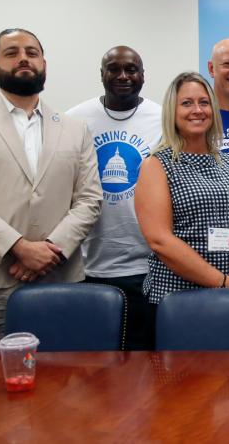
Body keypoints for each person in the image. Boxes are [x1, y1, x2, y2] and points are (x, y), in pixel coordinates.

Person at [0, 28, 102, 353]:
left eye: (32, 52)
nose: (24, 58)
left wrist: (48, 250)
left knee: (58, 389)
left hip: (56, 280)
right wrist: (20, 248)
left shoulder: (74, 128)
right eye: (11, 53)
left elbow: (89, 201)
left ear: (44, 64)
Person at [135, 72, 229, 306]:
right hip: (176, 299)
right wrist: (222, 281)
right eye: (187, 103)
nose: (197, 110)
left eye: (204, 102)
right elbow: (160, 240)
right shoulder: (156, 165)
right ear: (172, 112)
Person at [66, 46, 162, 350]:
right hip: (87, 265)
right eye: (114, 68)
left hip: (146, 266)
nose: (123, 76)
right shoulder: (74, 119)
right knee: (93, 365)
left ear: (143, 76)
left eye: (131, 69)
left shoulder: (162, 118)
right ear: (102, 74)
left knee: (143, 362)